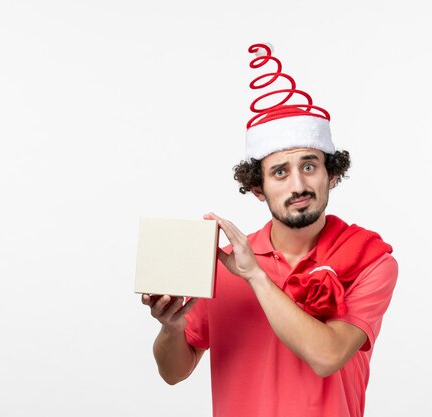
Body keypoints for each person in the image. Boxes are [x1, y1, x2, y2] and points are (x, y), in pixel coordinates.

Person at [141, 43, 398, 417]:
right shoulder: (223, 267)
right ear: (258, 187)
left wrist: (254, 276)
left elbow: (327, 357)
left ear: (332, 174)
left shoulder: (371, 261)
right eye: (280, 171)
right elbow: (173, 372)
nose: (298, 185)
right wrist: (173, 328)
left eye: (309, 166)